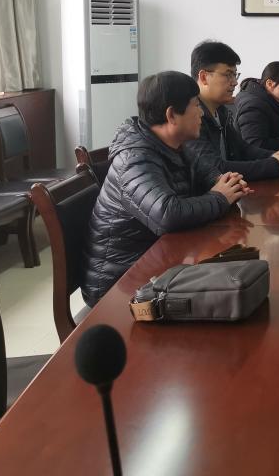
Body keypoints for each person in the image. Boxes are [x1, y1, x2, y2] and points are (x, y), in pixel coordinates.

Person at [81, 71, 252, 306]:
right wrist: (220, 197)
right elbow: (167, 214)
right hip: (120, 282)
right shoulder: (134, 158)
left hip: (160, 260)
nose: (202, 113)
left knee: (239, 282)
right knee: (230, 298)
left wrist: (227, 183)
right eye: (196, 105)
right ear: (171, 115)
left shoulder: (177, 144)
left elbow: (209, 176)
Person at [185, 41, 279, 181]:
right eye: (228, 75)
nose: (235, 82)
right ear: (204, 77)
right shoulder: (189, 116)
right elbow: (215, 168)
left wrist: (276, 156)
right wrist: (275, 165)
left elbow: (243, 149)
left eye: (235, 75)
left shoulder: (220, 111)